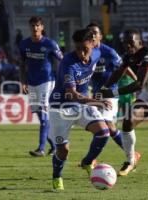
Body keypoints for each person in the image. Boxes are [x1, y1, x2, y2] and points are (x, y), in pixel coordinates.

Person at [100, 29, 148, 177]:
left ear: (140, 43)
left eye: (131, 43)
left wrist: (112, 92)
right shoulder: (128, 56)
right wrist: (104, 88)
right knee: (128, 122)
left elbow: (138, 85)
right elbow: (119, 71)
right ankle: (130, 161)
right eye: (126, 44)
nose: (128, 47)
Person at [49, 28, 112, 190]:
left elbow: (103, 47)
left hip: (82, 105)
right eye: (77, 49)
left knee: (104, 133)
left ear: (92, 44)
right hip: (61, 107)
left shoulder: (97, 53)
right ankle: (57, 177)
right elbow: (72, 94)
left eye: (85, 49)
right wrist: (95, 101)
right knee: (63, 150)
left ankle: (87, 162)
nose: (81, 53)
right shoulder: (68, 63)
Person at [80, 23, 140, 167]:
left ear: (100, 36)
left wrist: (136, 80)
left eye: (95, 33)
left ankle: (94, 159)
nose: (93, 36)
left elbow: (123, 68)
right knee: (104, 128)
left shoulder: (109, 52)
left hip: (110, 94)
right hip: (95, 95)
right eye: (90, 33)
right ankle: (133, 154)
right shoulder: (86, 53)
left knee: (107, 125)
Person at [19, 16, 63, 157]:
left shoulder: (50, 44)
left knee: (43, 116)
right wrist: (23, 82)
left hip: (47, 82)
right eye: (32, 25)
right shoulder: (24, 44)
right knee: (40, 115)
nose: (35, 28)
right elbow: (22, 64)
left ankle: (41, 148)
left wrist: (64, 78)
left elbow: (63, 60)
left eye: (37, 25)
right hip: (32, 83)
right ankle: (55, 146)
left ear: (42, 27)